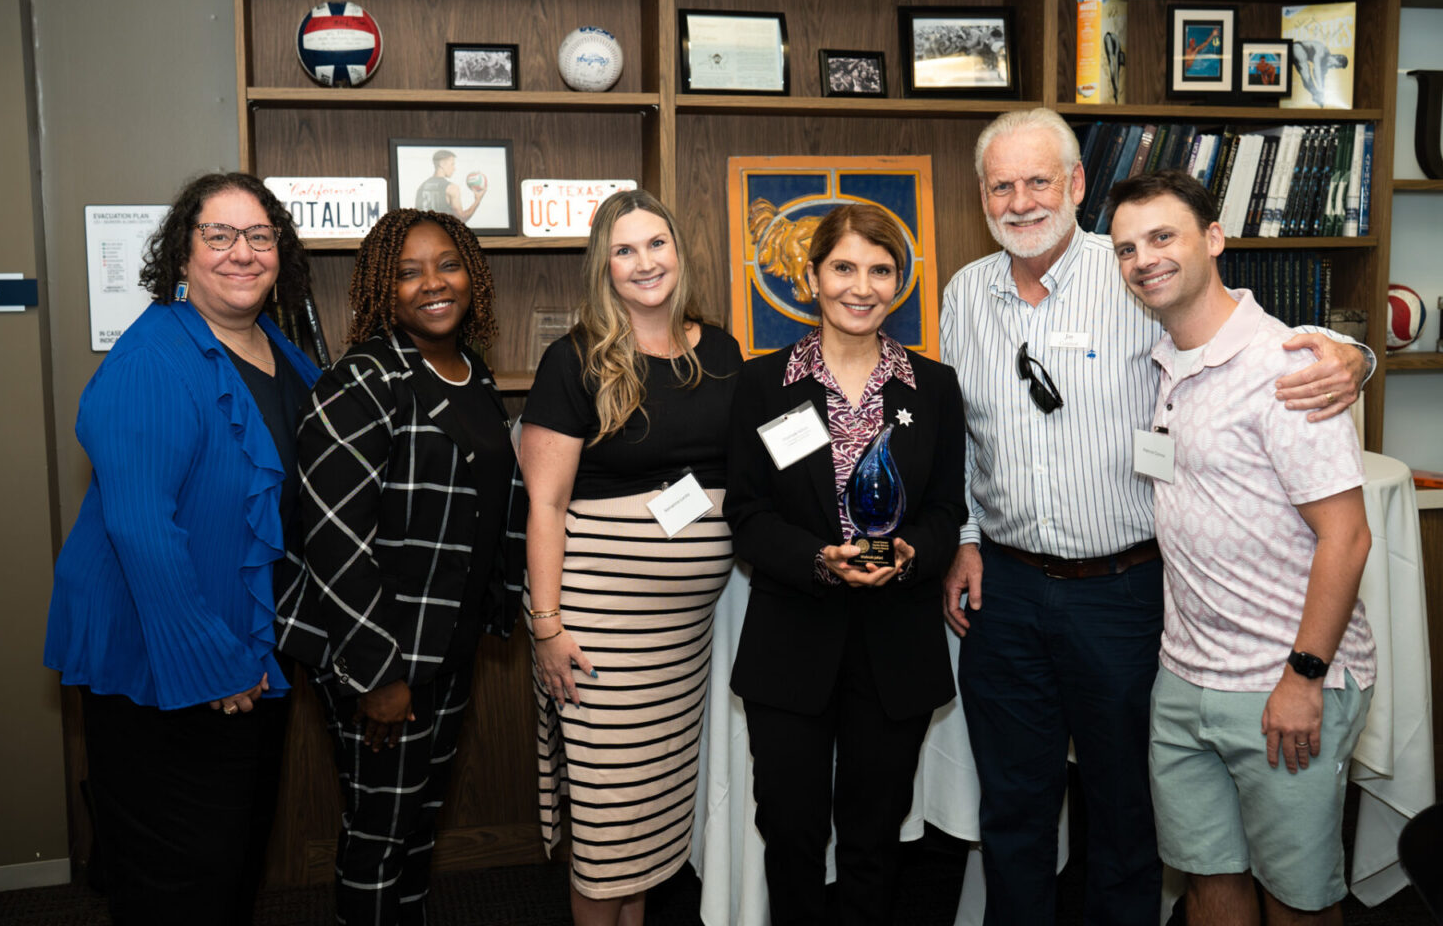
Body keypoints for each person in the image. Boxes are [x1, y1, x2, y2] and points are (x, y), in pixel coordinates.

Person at [938, 108, 1372, 926]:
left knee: (1129, 814)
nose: (1021, 201)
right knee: (1014, 809)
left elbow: (1243, 340)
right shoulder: (964, 295)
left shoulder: (1137, 269)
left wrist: (1353, 354)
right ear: (982, 197)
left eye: (1039, 180)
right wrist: (964, 538)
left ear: (1076, 186)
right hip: (1007, 592)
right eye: (1002, 185)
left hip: (1128, 593)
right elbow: (960, 438)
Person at [44, 171, 320, 924]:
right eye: (219, 234)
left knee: (230, 864)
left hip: (249, 655)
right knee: (177, 881)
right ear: (182, 253)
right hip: (168, 662)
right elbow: (140, 529)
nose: (242, 252)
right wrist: (210, 662)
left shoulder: (280, 351)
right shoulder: (152, 359)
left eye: (260, 235)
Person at [1107, 169, 1374, 926]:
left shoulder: (1287, 367)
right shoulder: (1166, 364)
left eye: (1163, 237)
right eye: (1127, 248)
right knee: (1207, 880)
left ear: (1214, 239)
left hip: (1281, 682)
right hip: (1185, 678)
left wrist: (1304, 676)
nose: (1145, 259)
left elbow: (1347, 537)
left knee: (1297, 899)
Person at [276, 209, 525, 925]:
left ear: (472, 275)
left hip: (445, 640)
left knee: (418, 826)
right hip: (381, 655)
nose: (432, 284)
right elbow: (334, 539)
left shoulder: (469, 369)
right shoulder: (362, 383)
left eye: (446, 264)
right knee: (381, 835)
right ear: (381, 289)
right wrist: (378, 674)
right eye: (408, 272)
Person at [726, 204, 967, 925]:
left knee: (873, 838)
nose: (861, 287)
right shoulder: (762, 386)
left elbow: (946, 512)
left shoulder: (934, 387)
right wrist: (817, 559)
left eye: (880, 270)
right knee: (792, 833)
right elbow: (747, 514)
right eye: (843, 268)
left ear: (900, 283)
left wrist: (910, 552)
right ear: (811, 278)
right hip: (791, 644)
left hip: (896, 646)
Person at [519, 189, 742, 925]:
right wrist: (547, 626)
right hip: (599, 629)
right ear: (603, 267)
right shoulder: (573, 359)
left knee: (652, 824)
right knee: (611, 831)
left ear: (680, 252)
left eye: (656, 245)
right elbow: (545, 505)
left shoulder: (720, 350)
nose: (645, 263)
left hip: (681, 641)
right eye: (625, 250)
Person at [415, 149, 486, 224]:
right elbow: (462, 218)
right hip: (442, 233)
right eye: (452, 164)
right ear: (442, 164)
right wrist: (477, 200)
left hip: (425, 232)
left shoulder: (421, 187)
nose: (454, 168)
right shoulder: (451, 188)